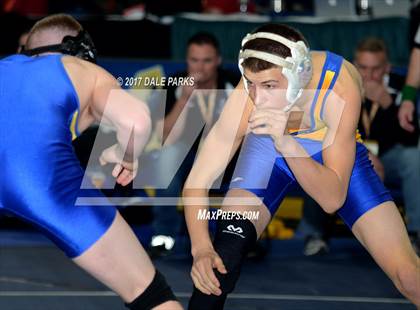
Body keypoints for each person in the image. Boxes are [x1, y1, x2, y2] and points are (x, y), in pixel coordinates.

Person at [183, 23, 420, 309]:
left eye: (269, 86)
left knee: (409, 278)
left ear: (299, 75)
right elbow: (198, 179)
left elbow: (331, 199)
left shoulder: (338, 85)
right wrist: (200, 248)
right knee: (222, 261)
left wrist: (287, 143)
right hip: (267, 148)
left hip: (328, 157)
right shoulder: (247, 96)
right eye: (250, 83)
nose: (258, 99)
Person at [0, 14, 182, 310]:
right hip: (40, 177)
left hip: (37, 172)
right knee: (149, 293)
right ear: (79, 51)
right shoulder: (81, 69)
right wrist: (127, 156)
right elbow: (135, 119)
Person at [148, 32, 239, 256]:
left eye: (207, 60)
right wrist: (184, 99)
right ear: (187, 60)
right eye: (194, 60)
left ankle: (238, 238)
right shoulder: (173, 84)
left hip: (226, 153)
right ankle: (164, 236)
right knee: (167, 160)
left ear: (218, 60)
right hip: (184, 153)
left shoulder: (234, 85)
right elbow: (165, 137)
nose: (200, 67)